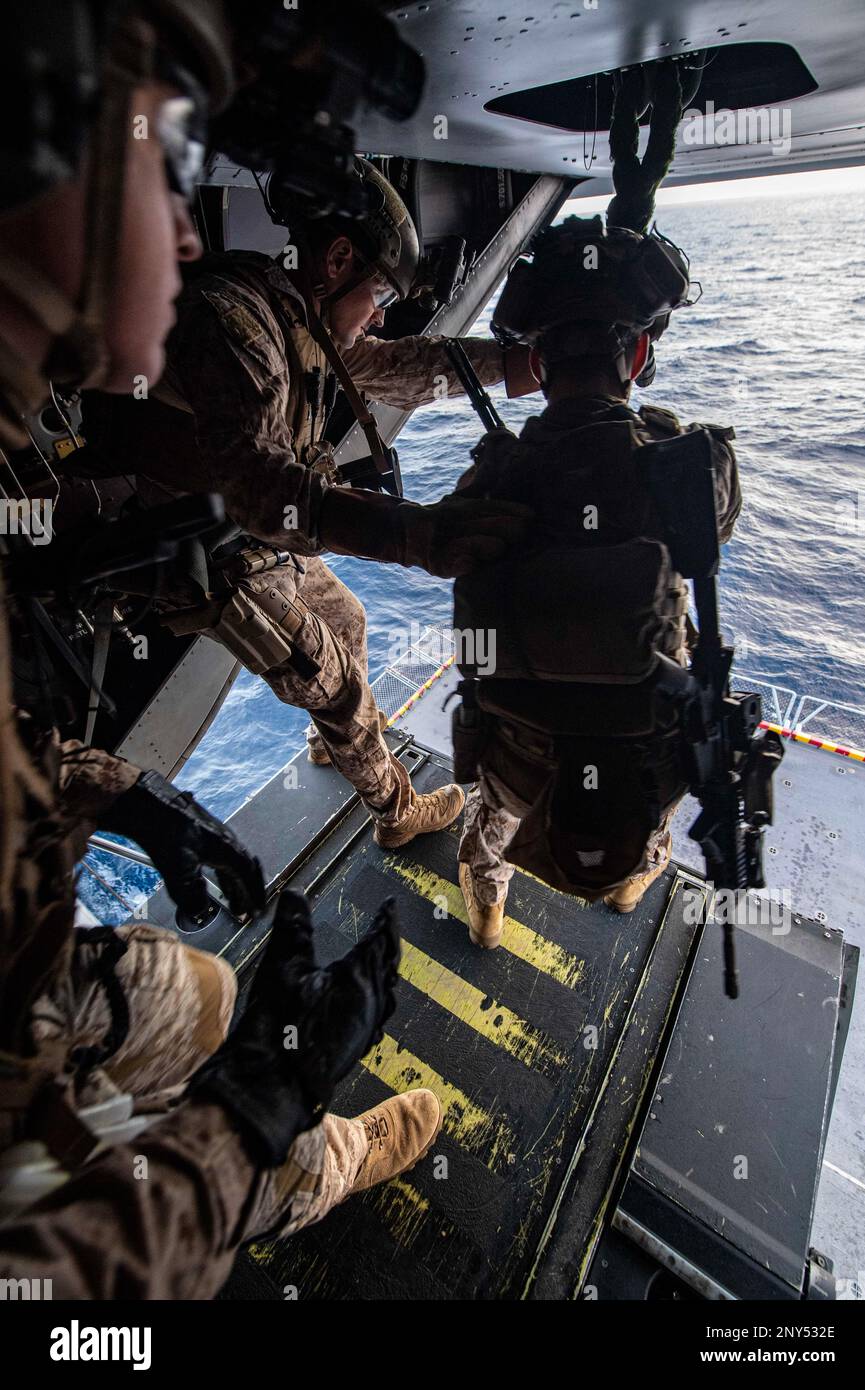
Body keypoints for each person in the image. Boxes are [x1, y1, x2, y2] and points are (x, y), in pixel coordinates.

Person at [0, 0, 441, 1297]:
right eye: (167, 161)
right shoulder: (241, 322)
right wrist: (241, 1127)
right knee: (234, 1142)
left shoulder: (25, 457)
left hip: (24, 964)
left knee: (202, 994)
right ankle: (313, 1159)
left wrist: (135, 796)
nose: (194, 230)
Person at [82, 156, 536, 850]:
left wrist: (517, 368)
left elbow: (402, 365)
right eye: (378, 290)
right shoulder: (234, 325)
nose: (380, 311)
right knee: (338, 690)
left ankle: (335, 747)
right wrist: (414, 536)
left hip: (257, 536)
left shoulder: (298, 317)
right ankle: (394, 812)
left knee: (346, 617)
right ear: (337, 259)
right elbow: (263, 487)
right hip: (207, 552)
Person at [452, 215, 742, 947]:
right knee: (672, 740)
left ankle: (485, 906)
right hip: (637, 753)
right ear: (639, 353)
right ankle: (627, 877)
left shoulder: (491, 476)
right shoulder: (689, 464)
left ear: (539, 364)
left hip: (518, 757)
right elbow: (717, 530)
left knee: (494, 809)